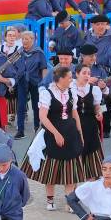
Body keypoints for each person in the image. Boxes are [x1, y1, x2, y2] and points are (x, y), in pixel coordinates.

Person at [21, 65, 86, 212]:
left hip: (70, 133)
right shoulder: (47, 93)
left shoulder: (72, 92)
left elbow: (75, 114)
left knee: (71, 171)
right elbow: (43, 117)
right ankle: (50, 200)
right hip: (52, 133)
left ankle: (70, 202)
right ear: (61, 78)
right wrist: (56, 133)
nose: (72, 79)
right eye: (69, 77)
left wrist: (80, 133)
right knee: (51, 170)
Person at [13, 30, 48, 139]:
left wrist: (44, 83)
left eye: (27, 39)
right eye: (23, 39)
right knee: (21, 106)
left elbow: (44, 68)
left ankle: (37, 127)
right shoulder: (19, 52)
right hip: (22, 81)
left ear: (33, 40)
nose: (24, 41)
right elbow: (12, 66)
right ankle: (20, 130)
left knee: (36, 106)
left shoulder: (39, 52)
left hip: (36, 82)